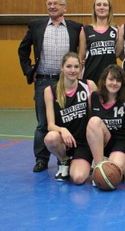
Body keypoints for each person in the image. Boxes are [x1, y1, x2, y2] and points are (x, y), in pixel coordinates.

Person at [18, 0, 83, 172]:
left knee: (72, 118)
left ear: (64, 8)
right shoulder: (36, 26)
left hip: (68, 82)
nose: (52, 6)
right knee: (43, 123)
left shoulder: (76, 28)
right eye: (49, 3)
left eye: (56, 4)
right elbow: (22, 50)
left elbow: (83, 52)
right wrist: (29, 71)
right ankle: (41, 159)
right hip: (43, 82)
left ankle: (73, 155)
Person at [43, 52, 97, 184]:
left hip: (84, 143)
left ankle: (85, 161)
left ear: (80, 68)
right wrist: (62, 129)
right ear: (62, 68)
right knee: (51, 137)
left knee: (78, 178)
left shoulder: (89, 86)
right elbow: (50, 125)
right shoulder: (50, 91)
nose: (73, 70)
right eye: (69, 66)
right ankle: (64, 160)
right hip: (65, 141)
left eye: (76, 67)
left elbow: (97, 116)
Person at [86, 64, 125, 183]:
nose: (114, 83)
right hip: (105, 141)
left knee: (115, 171)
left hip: (123, 141)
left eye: (118, 80)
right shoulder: (94, 97)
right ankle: (99, 166)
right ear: (104, 80)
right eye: (111, 79)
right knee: (94, 121)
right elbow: (90, 124)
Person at [79, 0, 118, 83]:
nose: (101, 7)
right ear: (94, 8)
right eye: (98, 4)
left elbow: (118, 53)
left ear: (109, 9)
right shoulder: (85, 30)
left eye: (105, 5)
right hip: (90, 77)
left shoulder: (116, 30)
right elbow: (81, 57)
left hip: (110, 78)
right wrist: (79, 78)